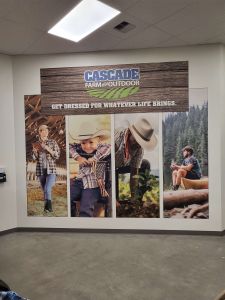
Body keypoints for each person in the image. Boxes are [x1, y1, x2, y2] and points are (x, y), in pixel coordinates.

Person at [70, 122, 111, 217]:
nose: (87, 146)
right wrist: (78, 157)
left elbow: (109, 147)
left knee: (86, 206)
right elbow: (69, 147)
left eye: (91, 142)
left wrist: (95, 158)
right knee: (69, 198)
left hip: (94, 185)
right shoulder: (79, 148)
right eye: (83, 143)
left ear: (99, 141)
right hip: (79, 182)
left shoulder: (101, 148)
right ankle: (71, 218)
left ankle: (84, 225)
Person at [115, 117, 157, 203]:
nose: (138, 145)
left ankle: (137, 199)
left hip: (122, 165)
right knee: (114, 202)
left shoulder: (139, 148)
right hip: (108, 168)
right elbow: (106, 165)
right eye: (137, 140)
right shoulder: (116, 139)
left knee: (145, 164)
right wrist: (113, 200)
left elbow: (134, 173)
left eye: (141, 143)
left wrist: (134, 196)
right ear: (130, 133)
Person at [32, 125, 60, 212]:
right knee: (44, 190)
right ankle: (46, 209)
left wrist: (48, 148)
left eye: (46, 130)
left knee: (47, 189)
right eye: (43, 130)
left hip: (51, 170)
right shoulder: (36, 143)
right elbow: (34, 158)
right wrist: (35, 152)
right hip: (40, 170)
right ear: (40, 132)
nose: (45, 132)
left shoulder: (53, 142)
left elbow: (57, 155)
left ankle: (49, 208)